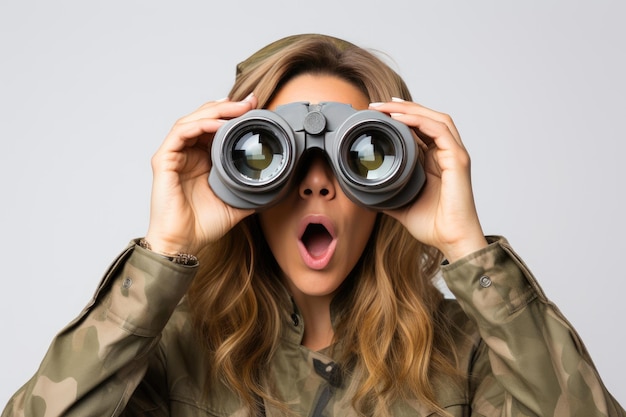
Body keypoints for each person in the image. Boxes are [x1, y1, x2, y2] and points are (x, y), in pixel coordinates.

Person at [2, 34, 624, 417]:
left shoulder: (467, 354)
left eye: (364, 156)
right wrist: (165, 251)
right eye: (274, 155)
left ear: (400, 176)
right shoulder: (169, 351)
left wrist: (469, 248)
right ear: (235, 174)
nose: (316, 181)